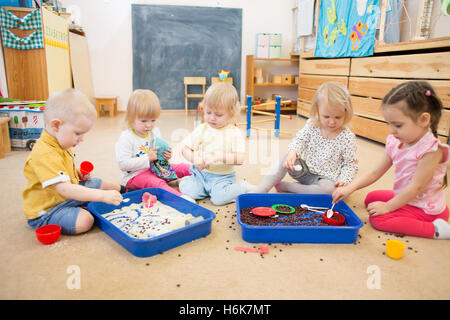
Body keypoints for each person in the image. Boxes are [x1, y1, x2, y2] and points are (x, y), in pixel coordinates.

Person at [333, 81, 450, 239]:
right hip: (407, 196)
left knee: (378, 219)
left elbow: (416, 187)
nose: (392, 131)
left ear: (423, 120)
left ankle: (436, 230)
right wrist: (349, 188)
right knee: (371, 198)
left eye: (398, 125)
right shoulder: (395, 141)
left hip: (425, 207)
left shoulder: (431, 151)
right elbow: (375, 172)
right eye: (389, 124)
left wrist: (388, 207)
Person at [23, 89, 123, 235]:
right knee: (85, 221)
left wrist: (76, 173)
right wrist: (102, 196)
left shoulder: (61, 141)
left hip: (68, 194)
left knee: (101, 183)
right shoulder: (44, 153)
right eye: (78, 133)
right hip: (50, 209)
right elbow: (64, 189)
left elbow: (61, 169)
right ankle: (88, 208)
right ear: (56, 126)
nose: (81, 139)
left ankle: (127, 190)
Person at [251, 82, 358, 194]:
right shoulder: (312, 125)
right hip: (305, 171)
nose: (332, 122)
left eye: (338, 117)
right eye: (326, 116)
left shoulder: (347, 137)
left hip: (326, 179)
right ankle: (262, 189)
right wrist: (293, 152)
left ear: (346, 112)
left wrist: (343, 181)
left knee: (329, 191)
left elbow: (350, 164)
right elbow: (300, 140)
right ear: (317, 111)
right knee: (285, 158)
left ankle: (288, 187)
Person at [179, 82, 250, 205]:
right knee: (188, 189)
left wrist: (219, 157)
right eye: (208, 112)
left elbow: (240, 158)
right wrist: (195, 158)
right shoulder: (202, 129)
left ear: (231, 113)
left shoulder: (234, 133)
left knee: (218, 200)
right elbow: (185, 148)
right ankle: (195, 185)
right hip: (200, 175)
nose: (212, 118)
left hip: (222, 178)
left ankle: (242, 186)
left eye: (218, 115)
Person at [115, 89, 194, 201]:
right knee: (157, 183)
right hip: (135, 176)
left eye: (153, 120)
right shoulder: (126, 138)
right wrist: (147, 158)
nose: (149, 125)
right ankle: (181, 199)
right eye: (143, 121)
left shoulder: (154, 131)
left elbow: (159, 152)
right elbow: (123, 164)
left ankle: (204, 173)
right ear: (131, 118)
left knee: (181, 167)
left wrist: (166, 155)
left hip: (155, 168)